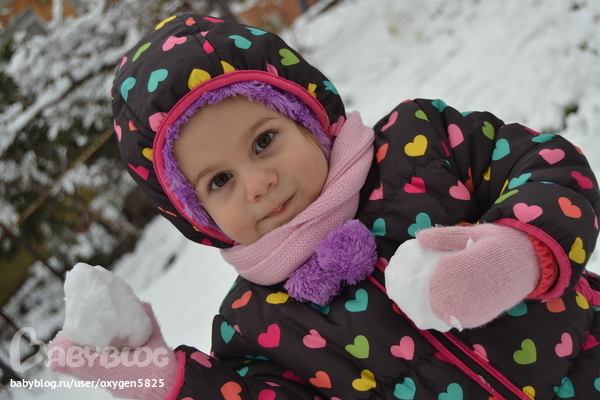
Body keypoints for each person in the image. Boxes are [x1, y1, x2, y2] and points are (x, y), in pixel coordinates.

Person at [49, 14, 600, 399]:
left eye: (263, 141)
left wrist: (516, 254)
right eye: (219, 181)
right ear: (196, 215)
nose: (258, 184)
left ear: (307, 115)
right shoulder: (255, 327)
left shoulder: (418, 145)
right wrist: (161, 384)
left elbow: (546, 165)